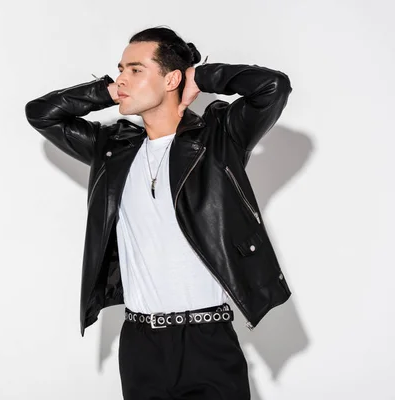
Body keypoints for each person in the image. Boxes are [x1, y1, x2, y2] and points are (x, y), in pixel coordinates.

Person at [25, 26, 292, 400]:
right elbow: (41, 114)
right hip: (140, 345)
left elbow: (273, 87)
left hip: (207, 342)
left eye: (135, 70)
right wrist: (103, 91)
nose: (121, 78)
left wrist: (203, 75)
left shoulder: (217, 140)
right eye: (120, 69)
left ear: (171, 78)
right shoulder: (113, 150)